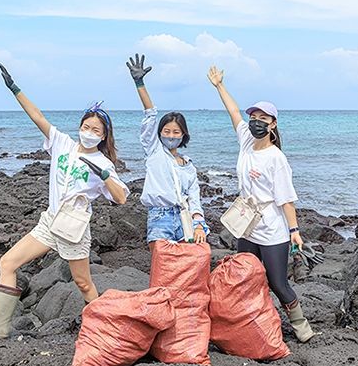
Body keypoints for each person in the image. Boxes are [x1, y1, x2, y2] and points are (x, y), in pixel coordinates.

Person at [0, 63, 130, 339]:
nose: (89, 132)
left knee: (83, 283)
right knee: (7, 263)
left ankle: (107, 332)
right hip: (49, 222)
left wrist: (104, 176)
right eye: (86, 126)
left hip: (73, 229)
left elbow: (122, 198)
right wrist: (15, 89)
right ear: (80, 127)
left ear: (104, 136)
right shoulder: (62, 144)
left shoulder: (104, 162)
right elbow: (37, 116)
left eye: (96, 130)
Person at [207, 65, 316, 342]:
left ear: (273, 124)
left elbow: (286, 199)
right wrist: (219, 86)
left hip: (271, 229)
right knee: (248, 276)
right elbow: (233, 112)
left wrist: (294, 232)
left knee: (278, 282)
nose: (256, 121)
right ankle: (253, 322)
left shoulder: (276, 158)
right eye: (253, 116)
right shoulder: (246, 140)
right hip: (247, 224)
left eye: (262, 118)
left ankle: (301, 326)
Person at [127, 54, 209, 248]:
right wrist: (139, 83)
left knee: (189, 265)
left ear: (183, 135)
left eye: (176, 132)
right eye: (167, 131)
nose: (171, 135)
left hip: (184, 217)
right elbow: (150, 115)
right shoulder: (154, 150)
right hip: (160, 216)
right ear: (159, 133)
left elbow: (194, 196)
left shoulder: (188, 166)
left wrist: (198, 223)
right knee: (162, 264)